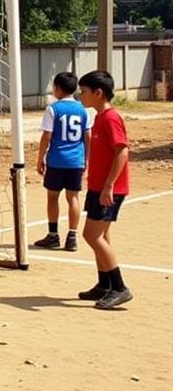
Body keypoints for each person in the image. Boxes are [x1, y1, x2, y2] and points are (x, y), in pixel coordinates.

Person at [76, 70, 132, 310]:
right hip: (98, 187)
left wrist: (109, 186)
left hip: (109, 189)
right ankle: (104, 284)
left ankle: (120, 287)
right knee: (102, 235)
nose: (80, 96)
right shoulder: (99, 117)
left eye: (84, 91)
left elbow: (122, 151)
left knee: (91, 235)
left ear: (98, 93)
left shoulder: (110, 118)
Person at [32, 72, 91, 252]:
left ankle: (53, 235)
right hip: (76, 161)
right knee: (73, 197)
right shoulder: (83, 110)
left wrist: (40, 158)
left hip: (57, 160)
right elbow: (88, 136)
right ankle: (72, 236)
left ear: (58, 88)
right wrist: (87, 158)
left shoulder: (53, 109)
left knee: (52, 197)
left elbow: (46, 136)